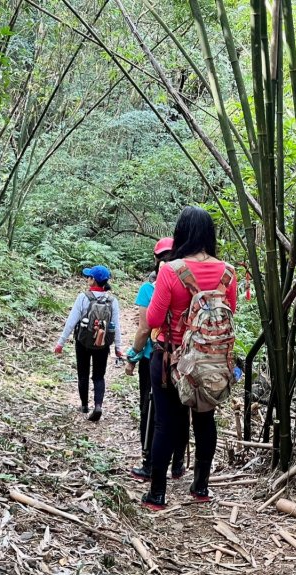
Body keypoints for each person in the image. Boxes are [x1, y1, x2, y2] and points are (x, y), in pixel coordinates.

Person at [141, 207, 237, 509]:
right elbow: (230, 314)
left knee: (166, 424)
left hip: (172, 359)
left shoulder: (170, 270)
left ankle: (157, 492)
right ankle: (201, 486)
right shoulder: (228, 272)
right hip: (210, 362)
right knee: (205, 421)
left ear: (181, 233)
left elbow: (154, 318)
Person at [127, 238, 187, 482]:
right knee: (181, 411)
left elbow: (144, 329)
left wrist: (132, 356)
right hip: (185, 359)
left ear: (156, 259)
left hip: (156, 358)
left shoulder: (148, 288)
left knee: (152, 412)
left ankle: (150, 463)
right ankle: (178, 464)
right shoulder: (187, 282)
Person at [54, 265, 123, 421]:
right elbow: (116, 326)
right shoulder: (112, 301)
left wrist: (61, 343)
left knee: (83, 374)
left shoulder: (83, 297)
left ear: (93, 280)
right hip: (102, 343)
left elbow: (71, 321)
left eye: (89, 277)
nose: (87, 279)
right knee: (99, 376)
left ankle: (84, 405)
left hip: (83, 341)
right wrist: (118, 348)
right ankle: (98, 405)